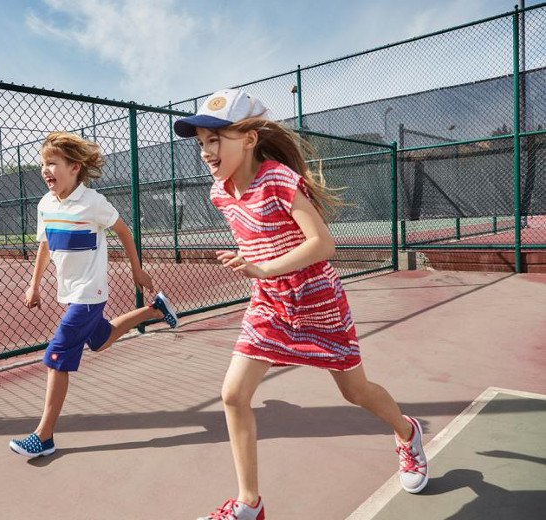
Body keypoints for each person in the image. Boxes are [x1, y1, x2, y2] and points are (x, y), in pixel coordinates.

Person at [173, 89, 428, 520]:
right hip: (270, 304)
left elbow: (322, 244)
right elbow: (256, 239)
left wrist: (263, 267)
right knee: (233, 394)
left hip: (318, 302)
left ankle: (407, 433)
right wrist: (252, 262)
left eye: (215, 140)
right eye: (201, 143)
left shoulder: (277, 179)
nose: (206, 151)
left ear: (249, 139)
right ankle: (249, 505)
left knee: (355, 391)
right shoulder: (219, 193)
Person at [9, 131, 179, 458]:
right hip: (70, 293)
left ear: (74, 167)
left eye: (53, 163)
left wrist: (137, 269)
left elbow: (124, 231)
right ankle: (156, 310)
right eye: (43, 164)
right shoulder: (46, 204)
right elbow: (45, 244)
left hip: (90, 293)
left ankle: (44, 436)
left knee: (57, 355)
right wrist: (34, 284)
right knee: (101, 340)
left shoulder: (93, 202)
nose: (45, 170)